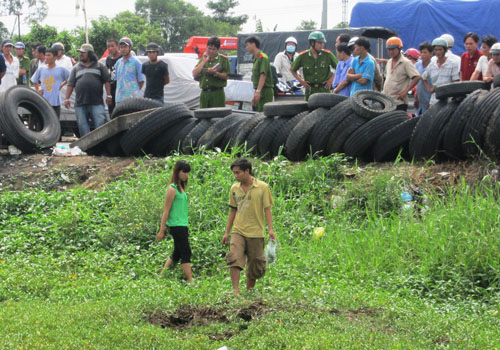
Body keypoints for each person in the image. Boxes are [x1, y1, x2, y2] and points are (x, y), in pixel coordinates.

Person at [222, 158, 276, 295]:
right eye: (234, 173)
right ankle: (235, 291)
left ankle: (249, 291)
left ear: (247, 171)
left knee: (255, 264)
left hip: (256, 232)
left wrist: (270, 229)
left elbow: (267, 209)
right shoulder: (234, 189)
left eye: (238, 173)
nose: (236, 176)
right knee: (234, 257)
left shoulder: (262, 187)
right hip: (238, 230)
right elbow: (233, 210)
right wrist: (227, 232)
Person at [157, 160, 193, 282]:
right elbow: (166, 211)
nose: (186, 175)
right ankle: (190, 280)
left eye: (188, 173)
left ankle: (162, 276)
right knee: (186, 251)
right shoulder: (172, 189)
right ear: (177, 172)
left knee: (177, 252)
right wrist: (161, 230)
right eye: (184, 172)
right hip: (176, 225)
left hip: (182, 224)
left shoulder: (181, 188)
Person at [64, 43, 111, 137]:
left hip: (96, 102)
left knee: (100, 124)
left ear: (90, 54)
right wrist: (67, 99)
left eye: (83, 53)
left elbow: (107, 81)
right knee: (82, 125)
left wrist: (109, 95)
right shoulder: (76, 68)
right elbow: (70, 84)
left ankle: (100, 145)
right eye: (80, 52)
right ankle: (87, 147)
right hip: (80, 103)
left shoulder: (100, 66)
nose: (81, 54)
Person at [290, 31, 338, 101]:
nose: (322, 45)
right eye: (319, 43)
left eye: (323, 43)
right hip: (310, 91)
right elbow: (292, 69)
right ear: (312, 43)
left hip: (324, 90)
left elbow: (339, 67)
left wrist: (331, 79)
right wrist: (301, 81)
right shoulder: (303, 56)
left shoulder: (327, 55)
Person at [382, 37, 421, 111]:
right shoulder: (389, 62)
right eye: (389, 49)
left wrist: (405, 91)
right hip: (387, 101)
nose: (391, 52)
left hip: (399, 102)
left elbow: (417, 77)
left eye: (393, 49)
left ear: (399, 48)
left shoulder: (406, 62)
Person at [31, 47, 70, 118]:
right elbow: (34, 80)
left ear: (55, 57)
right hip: (43, 101)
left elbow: (70, 79)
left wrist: (61, 85)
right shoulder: (41, 69)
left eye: (49, 55)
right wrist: (38, 89)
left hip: (55, 102)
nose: (46, 57)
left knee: (55, 122)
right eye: (45, 55)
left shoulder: (61, 69)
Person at [192, 36, 230, 108]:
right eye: (209, 48)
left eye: (214, 49)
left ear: (218, 49)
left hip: (217, 94)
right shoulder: (203, 59)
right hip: (205, 94)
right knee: (203, 117)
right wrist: (204, 61)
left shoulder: (223, 59)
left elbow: (227, 76)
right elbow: (194, 74)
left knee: (217, 117)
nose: (211, 51)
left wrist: (216, 73)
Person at [422, 38, 459, 104]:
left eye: (440, 49)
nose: (438, 52)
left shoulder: (453, 64)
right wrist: (430, 89)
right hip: (434, 100)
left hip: (449, 100)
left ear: (445, 50)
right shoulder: (432, 64)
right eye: (436, 50)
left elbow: (455, 82)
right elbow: (423, 77)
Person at [245, 36, 273, 112]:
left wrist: (258, 92)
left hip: (265, 91)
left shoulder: (263, 57)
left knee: (263, 115)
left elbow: (263, 75)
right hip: (260, 90)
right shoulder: (256, 58)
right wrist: (256, 92)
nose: (246, 48)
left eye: (247, 45)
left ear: (253, 44)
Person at [114, 37, 145, 103]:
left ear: (130, 47)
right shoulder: (118, 63)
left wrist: (133, 91)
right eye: (121, 47)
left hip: (133, 99)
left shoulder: (137, 63)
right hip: (119, 99)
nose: (123, 49)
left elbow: (141, 81)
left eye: (125, 47)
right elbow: (117, 80)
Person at [414, 41, 433, 117]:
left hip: (430, 101)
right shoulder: (417, 65)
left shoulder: (434, 66)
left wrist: (431, 102)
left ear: (431, 53)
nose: (422, 55)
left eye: (425, 52)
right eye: (421, 52)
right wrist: (416, 97)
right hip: (419, 101)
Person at [105, 38, 121, 116]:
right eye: (108, 46)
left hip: (121, 88)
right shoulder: (108, 59)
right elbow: (107, 76)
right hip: (112, 88)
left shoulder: (122, 58)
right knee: (112, 113)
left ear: (117, 46)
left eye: (112, 46)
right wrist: (108, 94)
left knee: (122, 111)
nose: (110, 48)